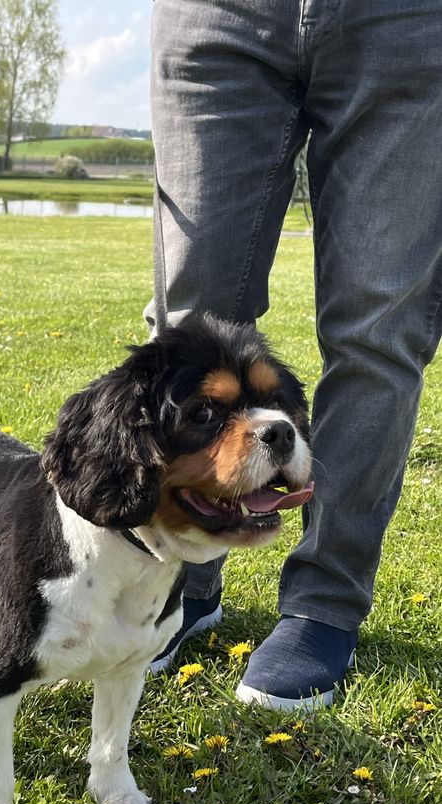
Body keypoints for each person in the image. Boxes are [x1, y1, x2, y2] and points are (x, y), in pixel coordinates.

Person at [145, 0, 442, 711]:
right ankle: (185, 576)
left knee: (377, 327)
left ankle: (323, 606)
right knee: (190, 322)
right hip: (217, 14)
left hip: (408, 18)